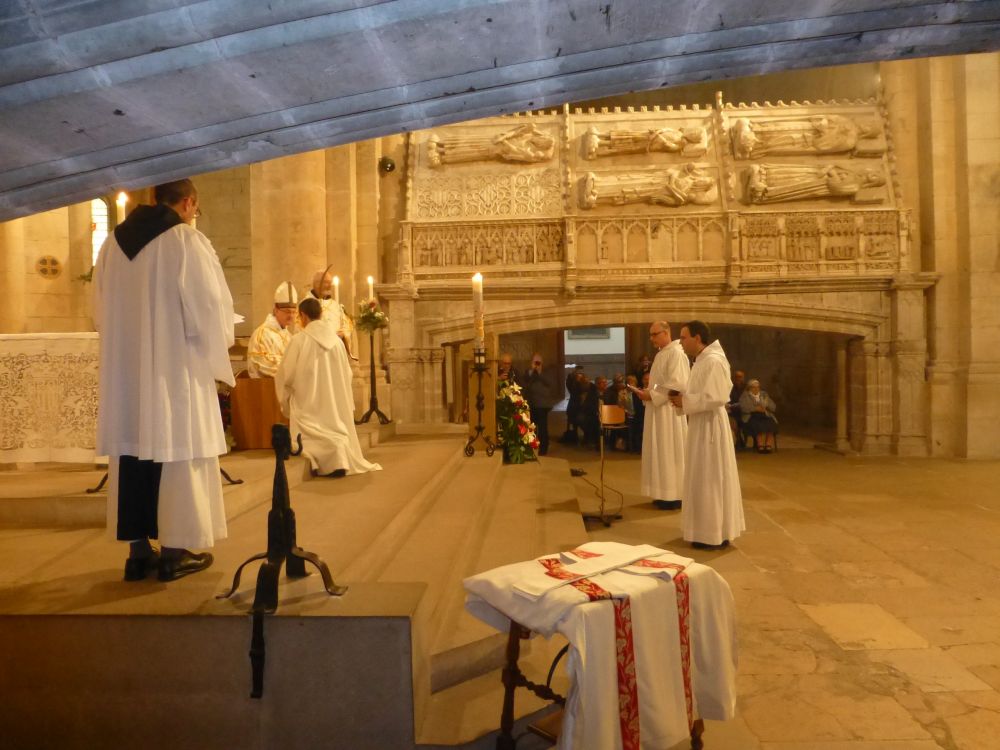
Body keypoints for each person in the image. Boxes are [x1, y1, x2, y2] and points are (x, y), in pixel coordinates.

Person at [93, 178, 233, 582]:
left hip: (128, 375)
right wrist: (217, 350)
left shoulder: (112, 246)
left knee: (133, 450)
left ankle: (138, 554)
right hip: (174, 372)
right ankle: (174, 552)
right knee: (177, 447)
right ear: (188, 203)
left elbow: (99, 312)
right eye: (196, 209)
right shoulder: (186, 242)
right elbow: (210, 310)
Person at [276, 298, 381, 477]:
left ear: (303, 315)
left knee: (309, 431)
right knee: (335, 430)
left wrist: (284, 398)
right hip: (334, 405)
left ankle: (329, 458)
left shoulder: (299, 340)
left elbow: (286, 374)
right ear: (321, 314)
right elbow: (347, 374)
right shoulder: (337, 342)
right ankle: (337, 456)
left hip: (308, 403)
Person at [669, 321, 745, 550]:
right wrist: (684, 398)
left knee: (710, 477)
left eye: (684, 338)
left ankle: (712, 533)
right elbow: (701, 393)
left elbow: (717, 396)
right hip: (702, 423)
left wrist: (686, 401)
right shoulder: (702, 360)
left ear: (698, 337)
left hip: (711, 425)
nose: (681, 343)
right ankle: (705, 530)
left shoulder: (713, 361)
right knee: (701, 477)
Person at [630, 322, 689, 510]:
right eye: (650, 335)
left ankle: (674, 494)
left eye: (654, 334)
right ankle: (661, 491)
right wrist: (647, 390)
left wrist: (652, 395)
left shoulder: (677, 354)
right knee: (658, 450)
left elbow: (677, 383)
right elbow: (658, 383)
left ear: (665, 333)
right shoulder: (662, 354)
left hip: (669, 411)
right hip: (657, 409)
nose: (651, 338)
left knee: (669, 450)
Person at [247, 281, 298, 378]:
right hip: (264, 389)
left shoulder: (288, 336)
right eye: (287, 312)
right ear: (276, 310)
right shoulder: (262, 334)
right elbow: (264, 365)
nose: (291, 316)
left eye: (293, 312)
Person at [305, 266, 354, 357]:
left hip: (335, 352)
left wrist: (344, 334)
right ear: (316, 284)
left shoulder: (336, 306)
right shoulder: (306, 305)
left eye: (330, 282)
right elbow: (302, 329)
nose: (330, 285)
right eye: (326, 282)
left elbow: (346, 326)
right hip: (316, 353)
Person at [521, 353, 555, 456]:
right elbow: (525, 383)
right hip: (531, 403)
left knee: (543, 427)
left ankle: (543, 448)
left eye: (538, 361)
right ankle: (532, 446)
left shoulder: (547, 372)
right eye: (535, 361)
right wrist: (532, 372)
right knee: (531, 427)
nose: (537, 363)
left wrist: (540, 373)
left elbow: (550, 383)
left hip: (543, 404)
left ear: (542, 362)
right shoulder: (528, 372)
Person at [739, 379, 779, 453]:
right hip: (751, 416)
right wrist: (755, 408)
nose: (756, 389)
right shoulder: (745, 395)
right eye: (753, 387)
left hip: (764, 414)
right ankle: (760, 444)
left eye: (758, 387)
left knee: (771, 423)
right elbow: (743, 407)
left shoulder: (764, 394)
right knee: (757, 424)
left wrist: (766, 406)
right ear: (749, 388)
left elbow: (773, 407)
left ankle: (768, 444)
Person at [562, 365, 585, 444]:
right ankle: (574, 436)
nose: (579, 373)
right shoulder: (571, 378)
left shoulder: (583, 378)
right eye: (578, 371)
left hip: (579, 403)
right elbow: (572, 390)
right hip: (574, 403)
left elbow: (584, 389)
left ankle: (581, 436)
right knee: (573, 418)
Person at [727, 369, 747, 449]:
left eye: (740, 377)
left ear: (743, 377)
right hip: (733, 411)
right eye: (736, 377)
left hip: (744, 411)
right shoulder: (730, 387)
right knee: (733, 422)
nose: (738, 378)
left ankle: (740, 440)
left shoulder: (746, 388)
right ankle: (738, 439)